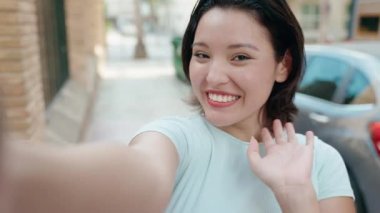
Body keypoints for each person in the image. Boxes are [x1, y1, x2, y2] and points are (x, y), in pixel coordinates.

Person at [0, 0, 355, 212]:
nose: (213, 75)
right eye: (202, 54)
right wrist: (17, 171)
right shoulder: (172, 140)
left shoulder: (321, 162)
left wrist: (297, 196)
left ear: (284, 65)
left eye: (240, 57)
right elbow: (141, 174)